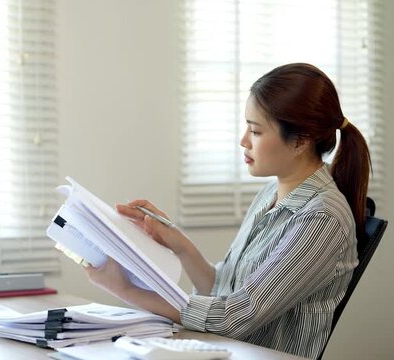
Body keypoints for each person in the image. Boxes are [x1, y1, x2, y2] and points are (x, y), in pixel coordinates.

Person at [85, 63, 371, 359]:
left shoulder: (322, 218)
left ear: (300, 141)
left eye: (256, 131)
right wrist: (178, 243)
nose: (243, 140)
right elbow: (224, 289)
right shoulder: (270, 194)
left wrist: (127, 292)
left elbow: (235, 316)